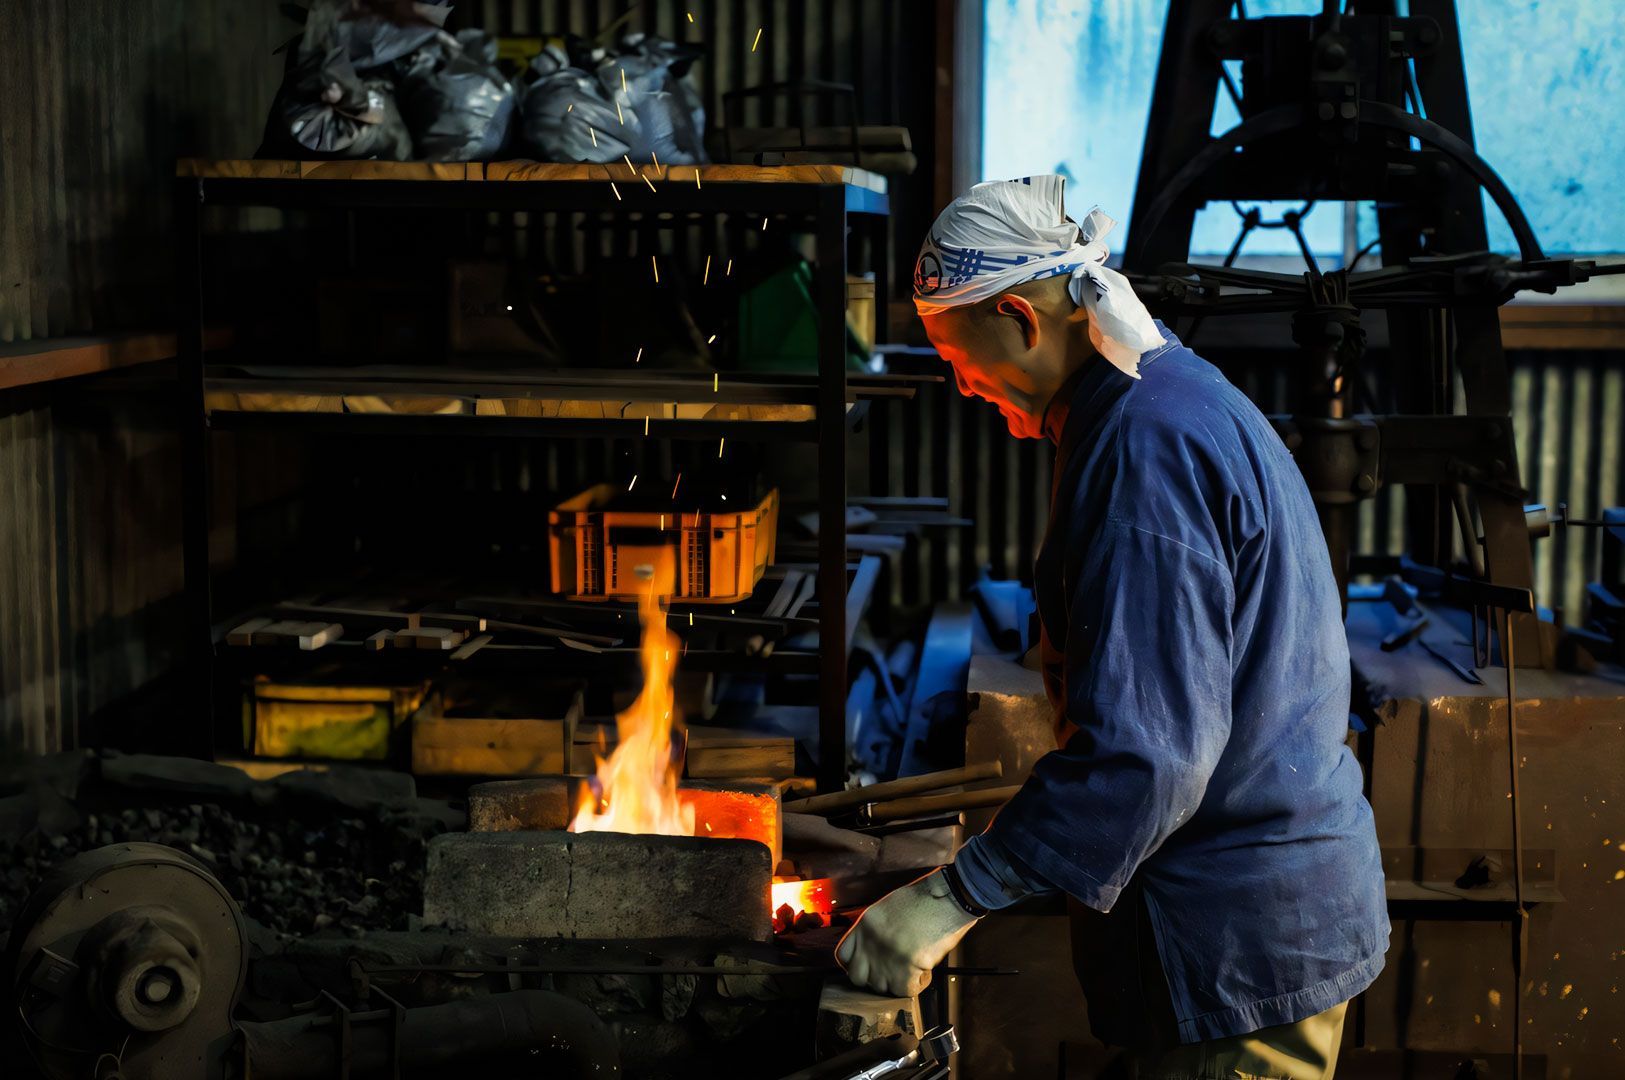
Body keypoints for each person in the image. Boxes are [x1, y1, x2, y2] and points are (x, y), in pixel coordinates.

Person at [836, 175, 1389, 1080]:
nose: (962, 386)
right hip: (1246, 918)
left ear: (1019, 318)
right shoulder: (1164, 392)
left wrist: (945, 900)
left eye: (954, 356)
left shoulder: (1145, 448)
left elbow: (1147, 755)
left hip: (1231, 938)